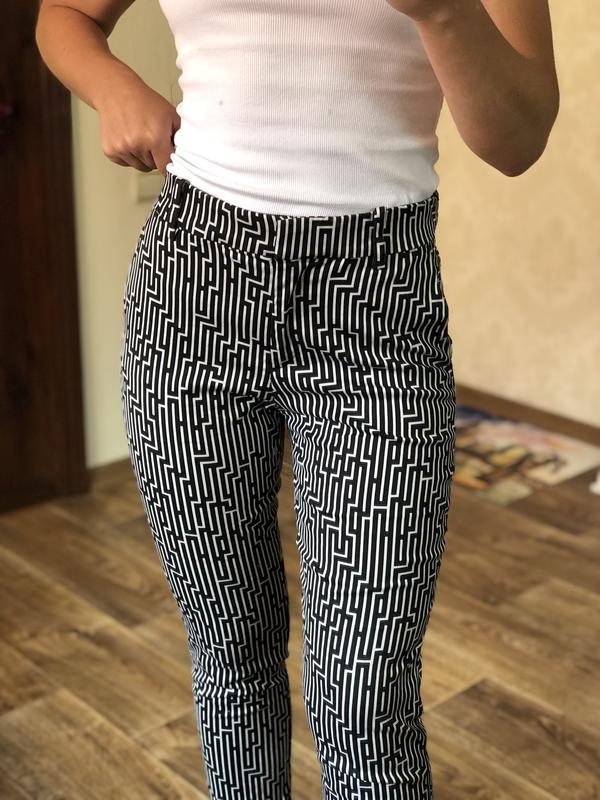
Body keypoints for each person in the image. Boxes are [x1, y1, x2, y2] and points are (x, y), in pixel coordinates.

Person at [35, 1, 559, 798]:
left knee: (366, 702)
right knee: (230, 661)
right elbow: (64, 14)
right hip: (195, 290)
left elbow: (518, 141)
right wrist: (112, 87)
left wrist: (442, 10)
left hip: (378, 307)